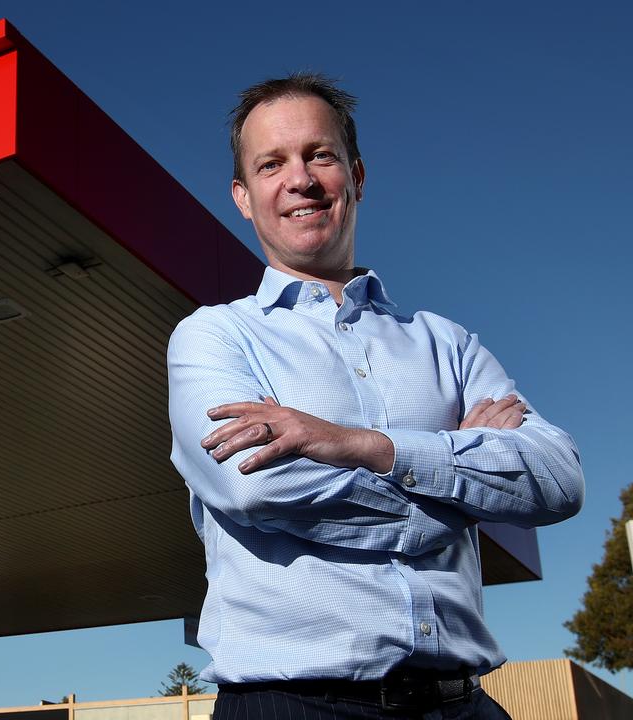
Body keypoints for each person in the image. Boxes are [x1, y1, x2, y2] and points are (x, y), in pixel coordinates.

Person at [166, 74, 584, 719]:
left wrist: (363, 448)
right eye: (271, 164)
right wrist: (459, 490)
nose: (299, 179)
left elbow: (558, 479)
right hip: (292, 706)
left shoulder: (446, 342)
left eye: (320, 156)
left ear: (357, 175)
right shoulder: (215, 336)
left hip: (464, 704)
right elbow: (253, 487)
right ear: (243, 198)